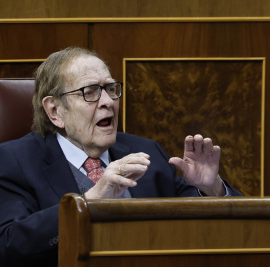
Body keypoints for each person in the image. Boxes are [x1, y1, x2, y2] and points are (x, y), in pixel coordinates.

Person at [0, 47, 242, 267]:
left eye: (111, 89)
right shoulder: (15, 160)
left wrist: (211, 189)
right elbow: (8, 246)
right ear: (55, 111)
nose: (108, 102)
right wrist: (88, 202)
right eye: (90, 92)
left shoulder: (147, 151)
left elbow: (210, 228)